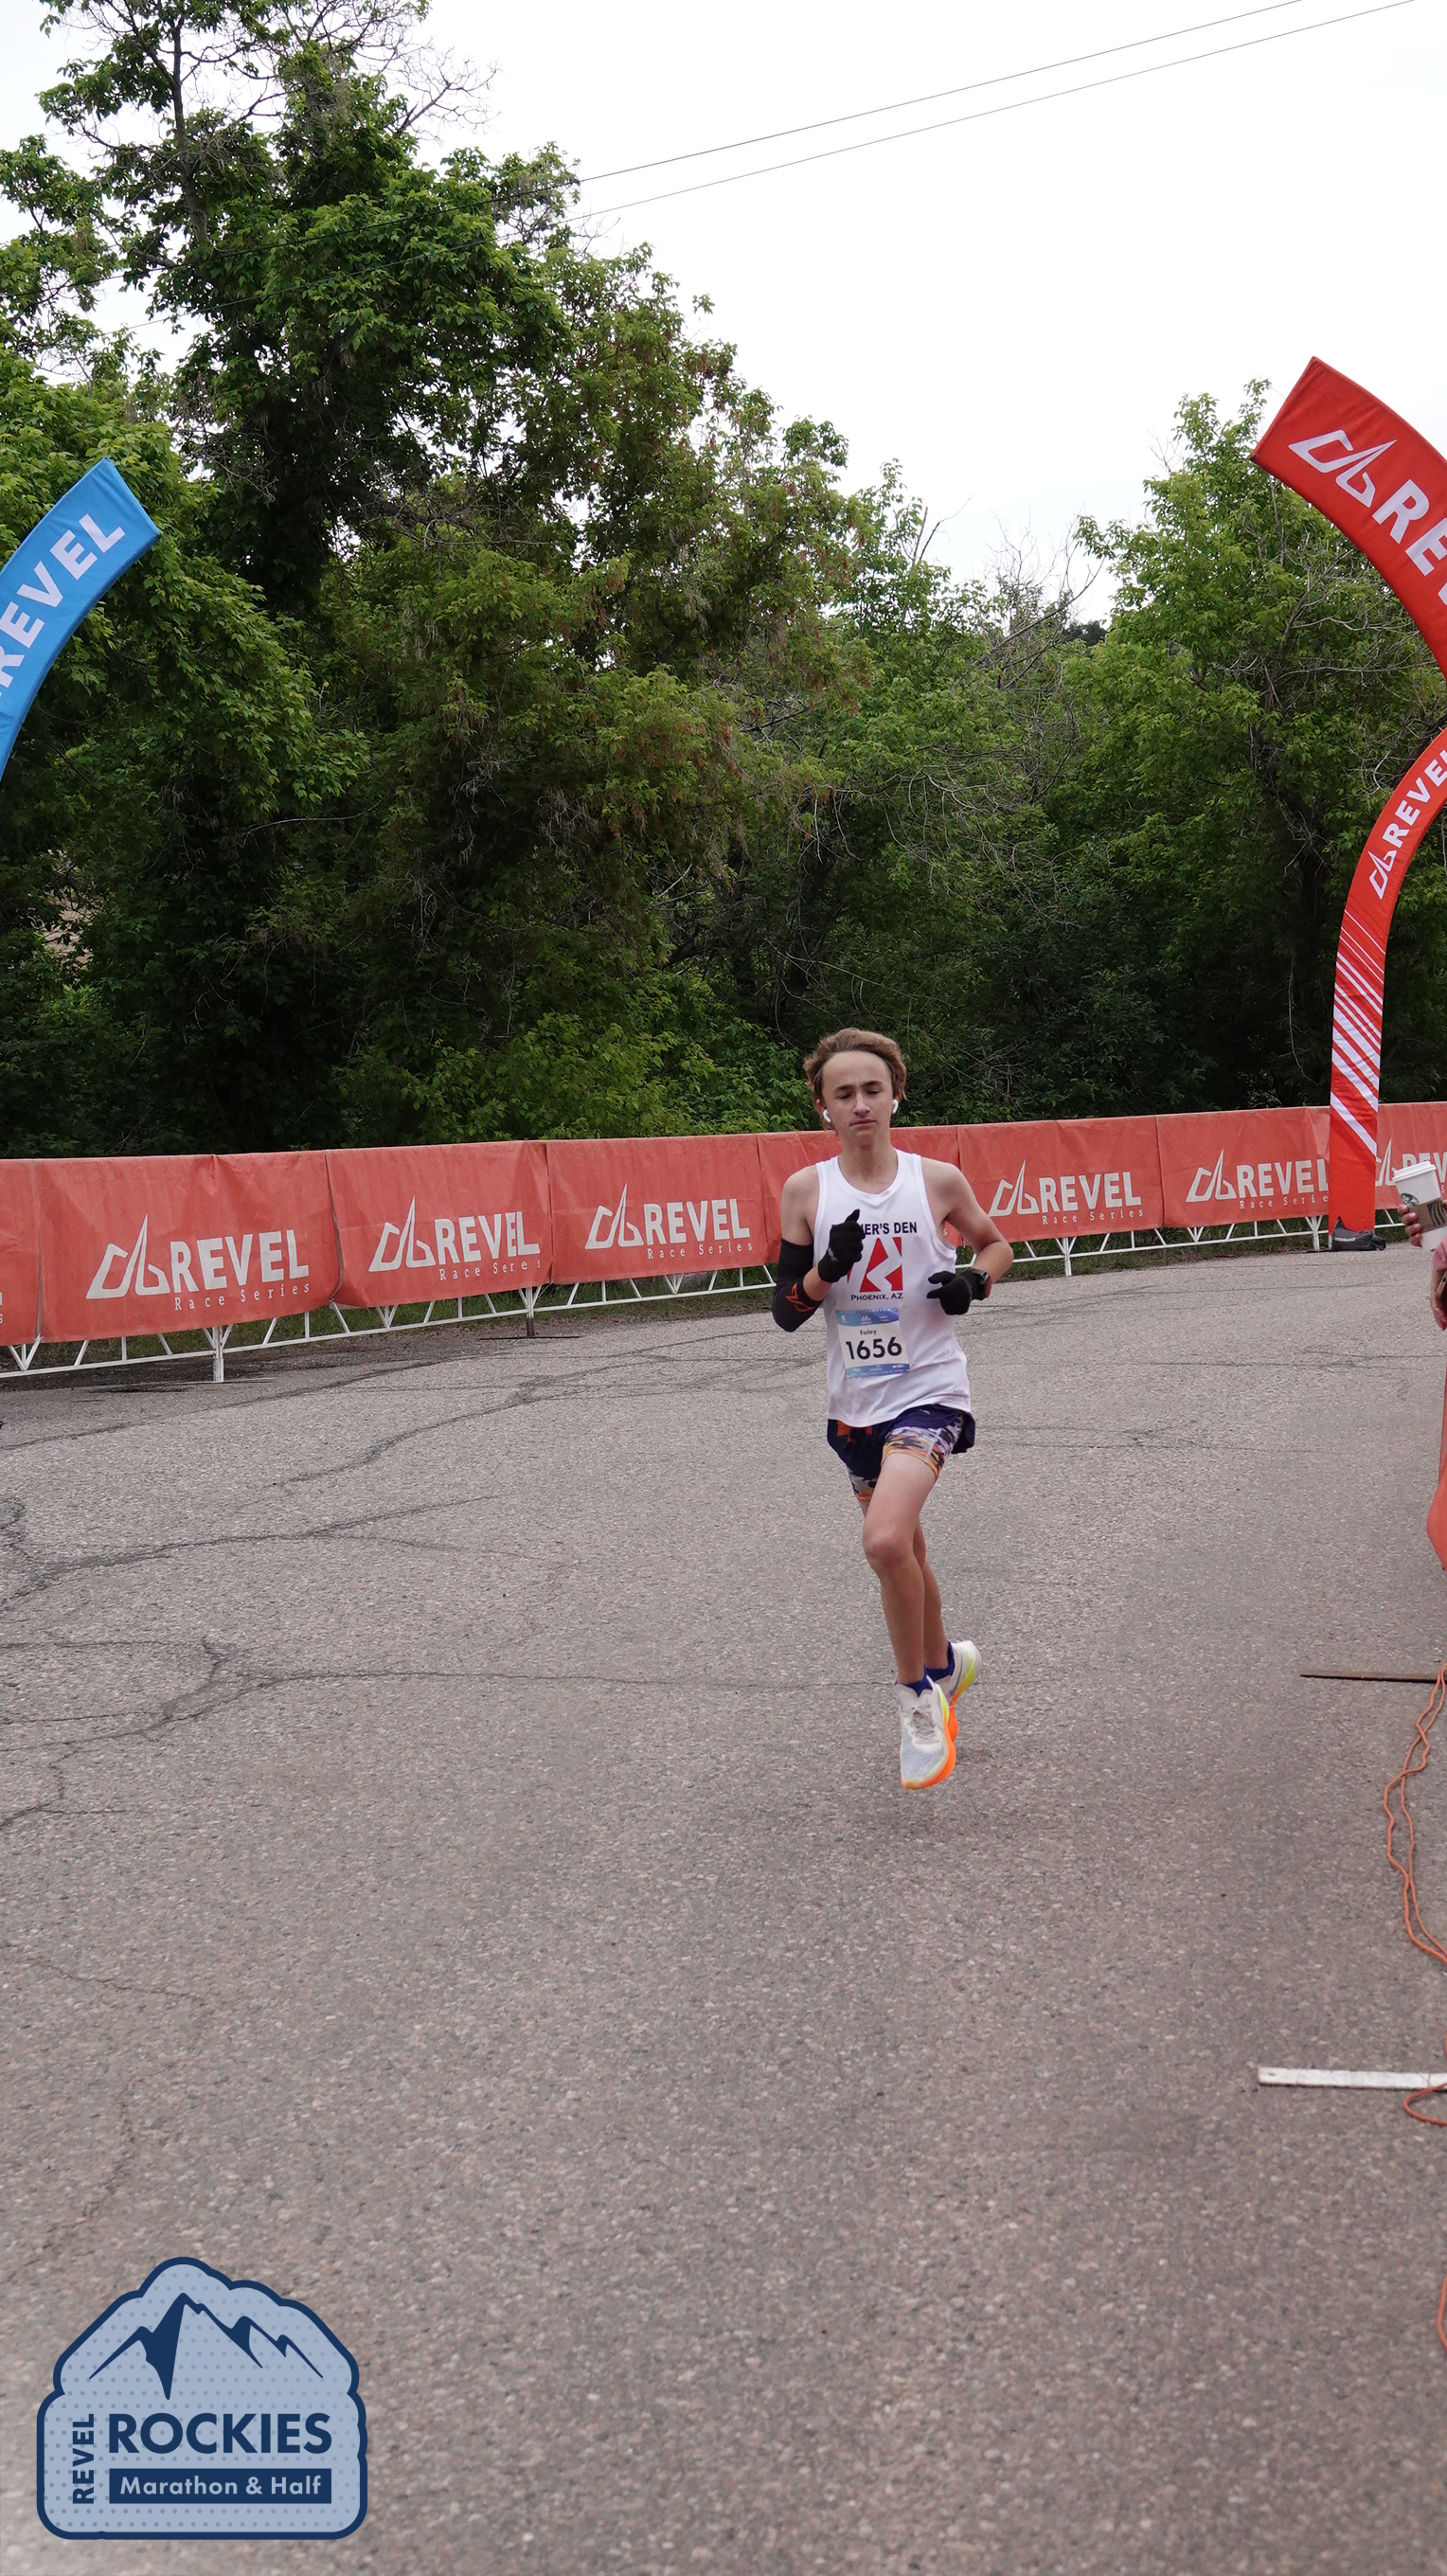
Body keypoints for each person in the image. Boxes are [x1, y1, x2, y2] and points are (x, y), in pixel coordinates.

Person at [771, 1027, 1012, 1789]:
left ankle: (917, 1700)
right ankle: (945, 1665)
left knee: (882, 1543)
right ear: (822, 1107)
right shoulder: (806, 1191)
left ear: (896, 1095)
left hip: (929, 1390)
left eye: (872, 1089)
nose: (860, 1104)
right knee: (907, 1550)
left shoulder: (935, 1180)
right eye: (843, 1093)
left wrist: (972, 1282)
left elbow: (996, 1246)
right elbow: (785, 1311)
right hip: (856, 1407)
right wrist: (826, 1269)